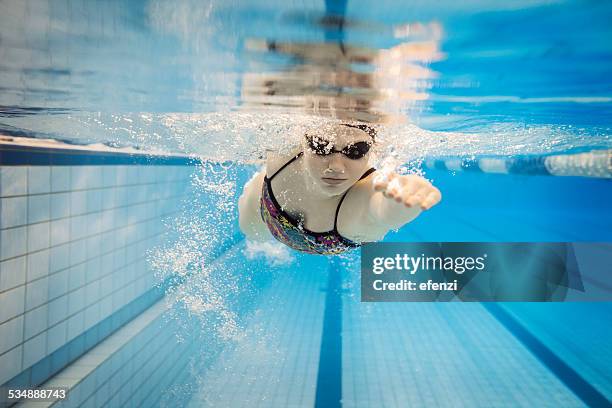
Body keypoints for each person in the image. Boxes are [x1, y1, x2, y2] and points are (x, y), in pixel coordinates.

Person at [238, 123, 441, 255]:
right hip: (264, 204)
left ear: (371, 151)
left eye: (355, 151)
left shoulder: (364, 195)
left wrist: (404, 201)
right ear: (304, 143)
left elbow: (381, 210)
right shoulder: (284, 152)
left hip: (330, 236)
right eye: (321, 146)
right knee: (254, 234)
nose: (336, 166)